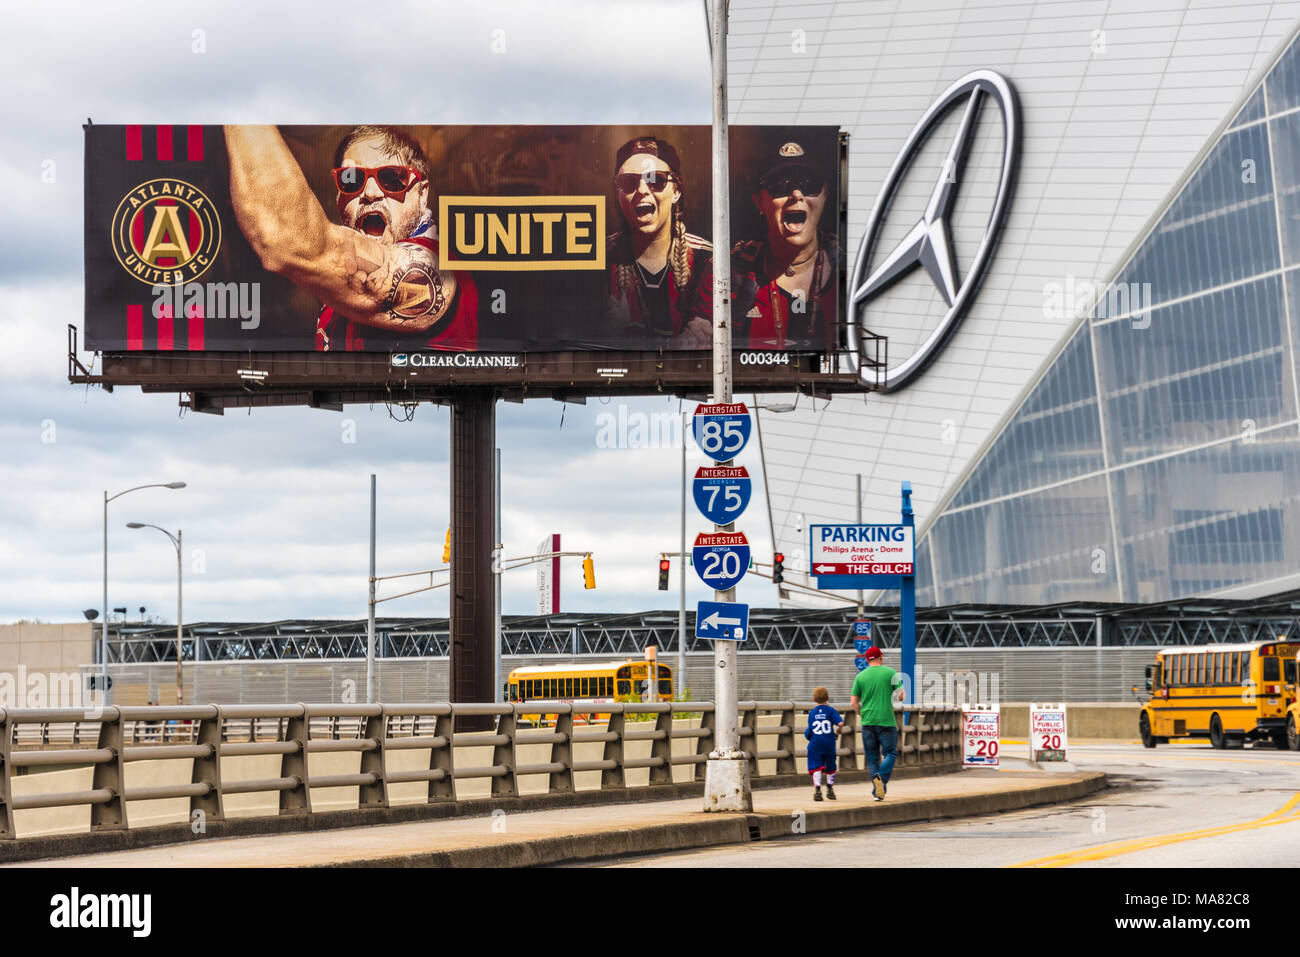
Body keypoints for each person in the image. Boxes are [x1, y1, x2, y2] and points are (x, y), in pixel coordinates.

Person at [224, 125, 477, 352]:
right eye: (351, 180)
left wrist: (241, 100)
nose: (370, 193)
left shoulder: (432, 269)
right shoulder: (337, 295)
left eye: (391, 178)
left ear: (422, 195)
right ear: (337, 196)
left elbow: (286, 239)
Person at [606, 135, 713, 350]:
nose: (643, 190)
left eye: (656, 180)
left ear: (676, 192)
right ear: (618, 195)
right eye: (629, 182)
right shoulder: (599, 260)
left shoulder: (708, 260)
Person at [731, 136, 838, 351]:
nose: (796, 194)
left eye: (809, 185)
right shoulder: (730, 269)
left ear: (825, 195)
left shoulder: (850, 266)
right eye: (781, 186)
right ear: (758, 201)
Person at [850, 645, 903, 801]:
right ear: (881, 658)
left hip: (867, 721)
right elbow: (902, 696)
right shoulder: (890, 673)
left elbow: (853, 702)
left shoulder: (860, 677)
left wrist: (861, 713)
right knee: (890, 753)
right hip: (886, 720)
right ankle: (882, 778)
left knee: (872, 758)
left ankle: (878, 792)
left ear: (866, 660)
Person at [805, 686, 843, 801]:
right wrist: (837, 733)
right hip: (829, 743)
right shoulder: (831, 711)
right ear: (828, 697)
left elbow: (810, 730)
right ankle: (830, 789)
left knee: (816, 766)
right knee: (830, 765)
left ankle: (817, 790)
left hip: (815, 744)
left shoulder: (812, 713)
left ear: (814, 699)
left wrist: (808, 736)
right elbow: (840, 723)